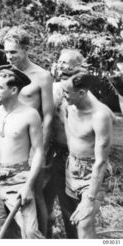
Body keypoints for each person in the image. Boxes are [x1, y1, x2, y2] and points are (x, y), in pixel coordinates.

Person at [0, 66, 45, 239]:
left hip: (18, 181)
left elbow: (38, 153)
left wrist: (28, 186)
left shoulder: (30, 115)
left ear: (14, 90)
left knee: (30, 233)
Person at [3, 26, 54, 235]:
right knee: (12, 192)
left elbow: (49, 115)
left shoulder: (42, 76)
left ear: (25, 49)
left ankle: (42, 235)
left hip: (33, 144)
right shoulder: (5, 74)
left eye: (13, 52)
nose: (9, 56)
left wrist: (39, 150)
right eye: (6, 52)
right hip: (12, 144)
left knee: (35, 193)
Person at [61, 73, 113, 238]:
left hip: (92, 173)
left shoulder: (100, 116)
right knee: (78, 221)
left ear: (82, 93)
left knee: (83, 223)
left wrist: (90, 198)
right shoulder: (69, 105)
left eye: (67, 92)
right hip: (72, 167)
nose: (63, 95)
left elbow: (101, 161)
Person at [45, 49, 86, 238]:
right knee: (43, 203)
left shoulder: (84, 92)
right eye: (60, 61)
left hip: (76, 158)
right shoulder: (53, 88)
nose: (62, 66)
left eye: (67, 63)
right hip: (53, 153)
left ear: (79, 66)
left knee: (71, 207)